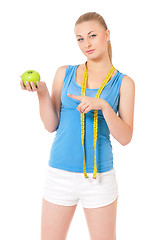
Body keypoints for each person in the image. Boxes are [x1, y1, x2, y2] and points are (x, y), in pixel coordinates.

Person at [20, 11, 135, 240]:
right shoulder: (65, 73)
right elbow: (51, 125)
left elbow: (125, 137)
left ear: (107, 35)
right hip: (59, 175)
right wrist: (41, 93)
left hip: (99, 178)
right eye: (80, 38)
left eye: (92, 35)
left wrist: (103, 106)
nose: (86, 44)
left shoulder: (124, 83)